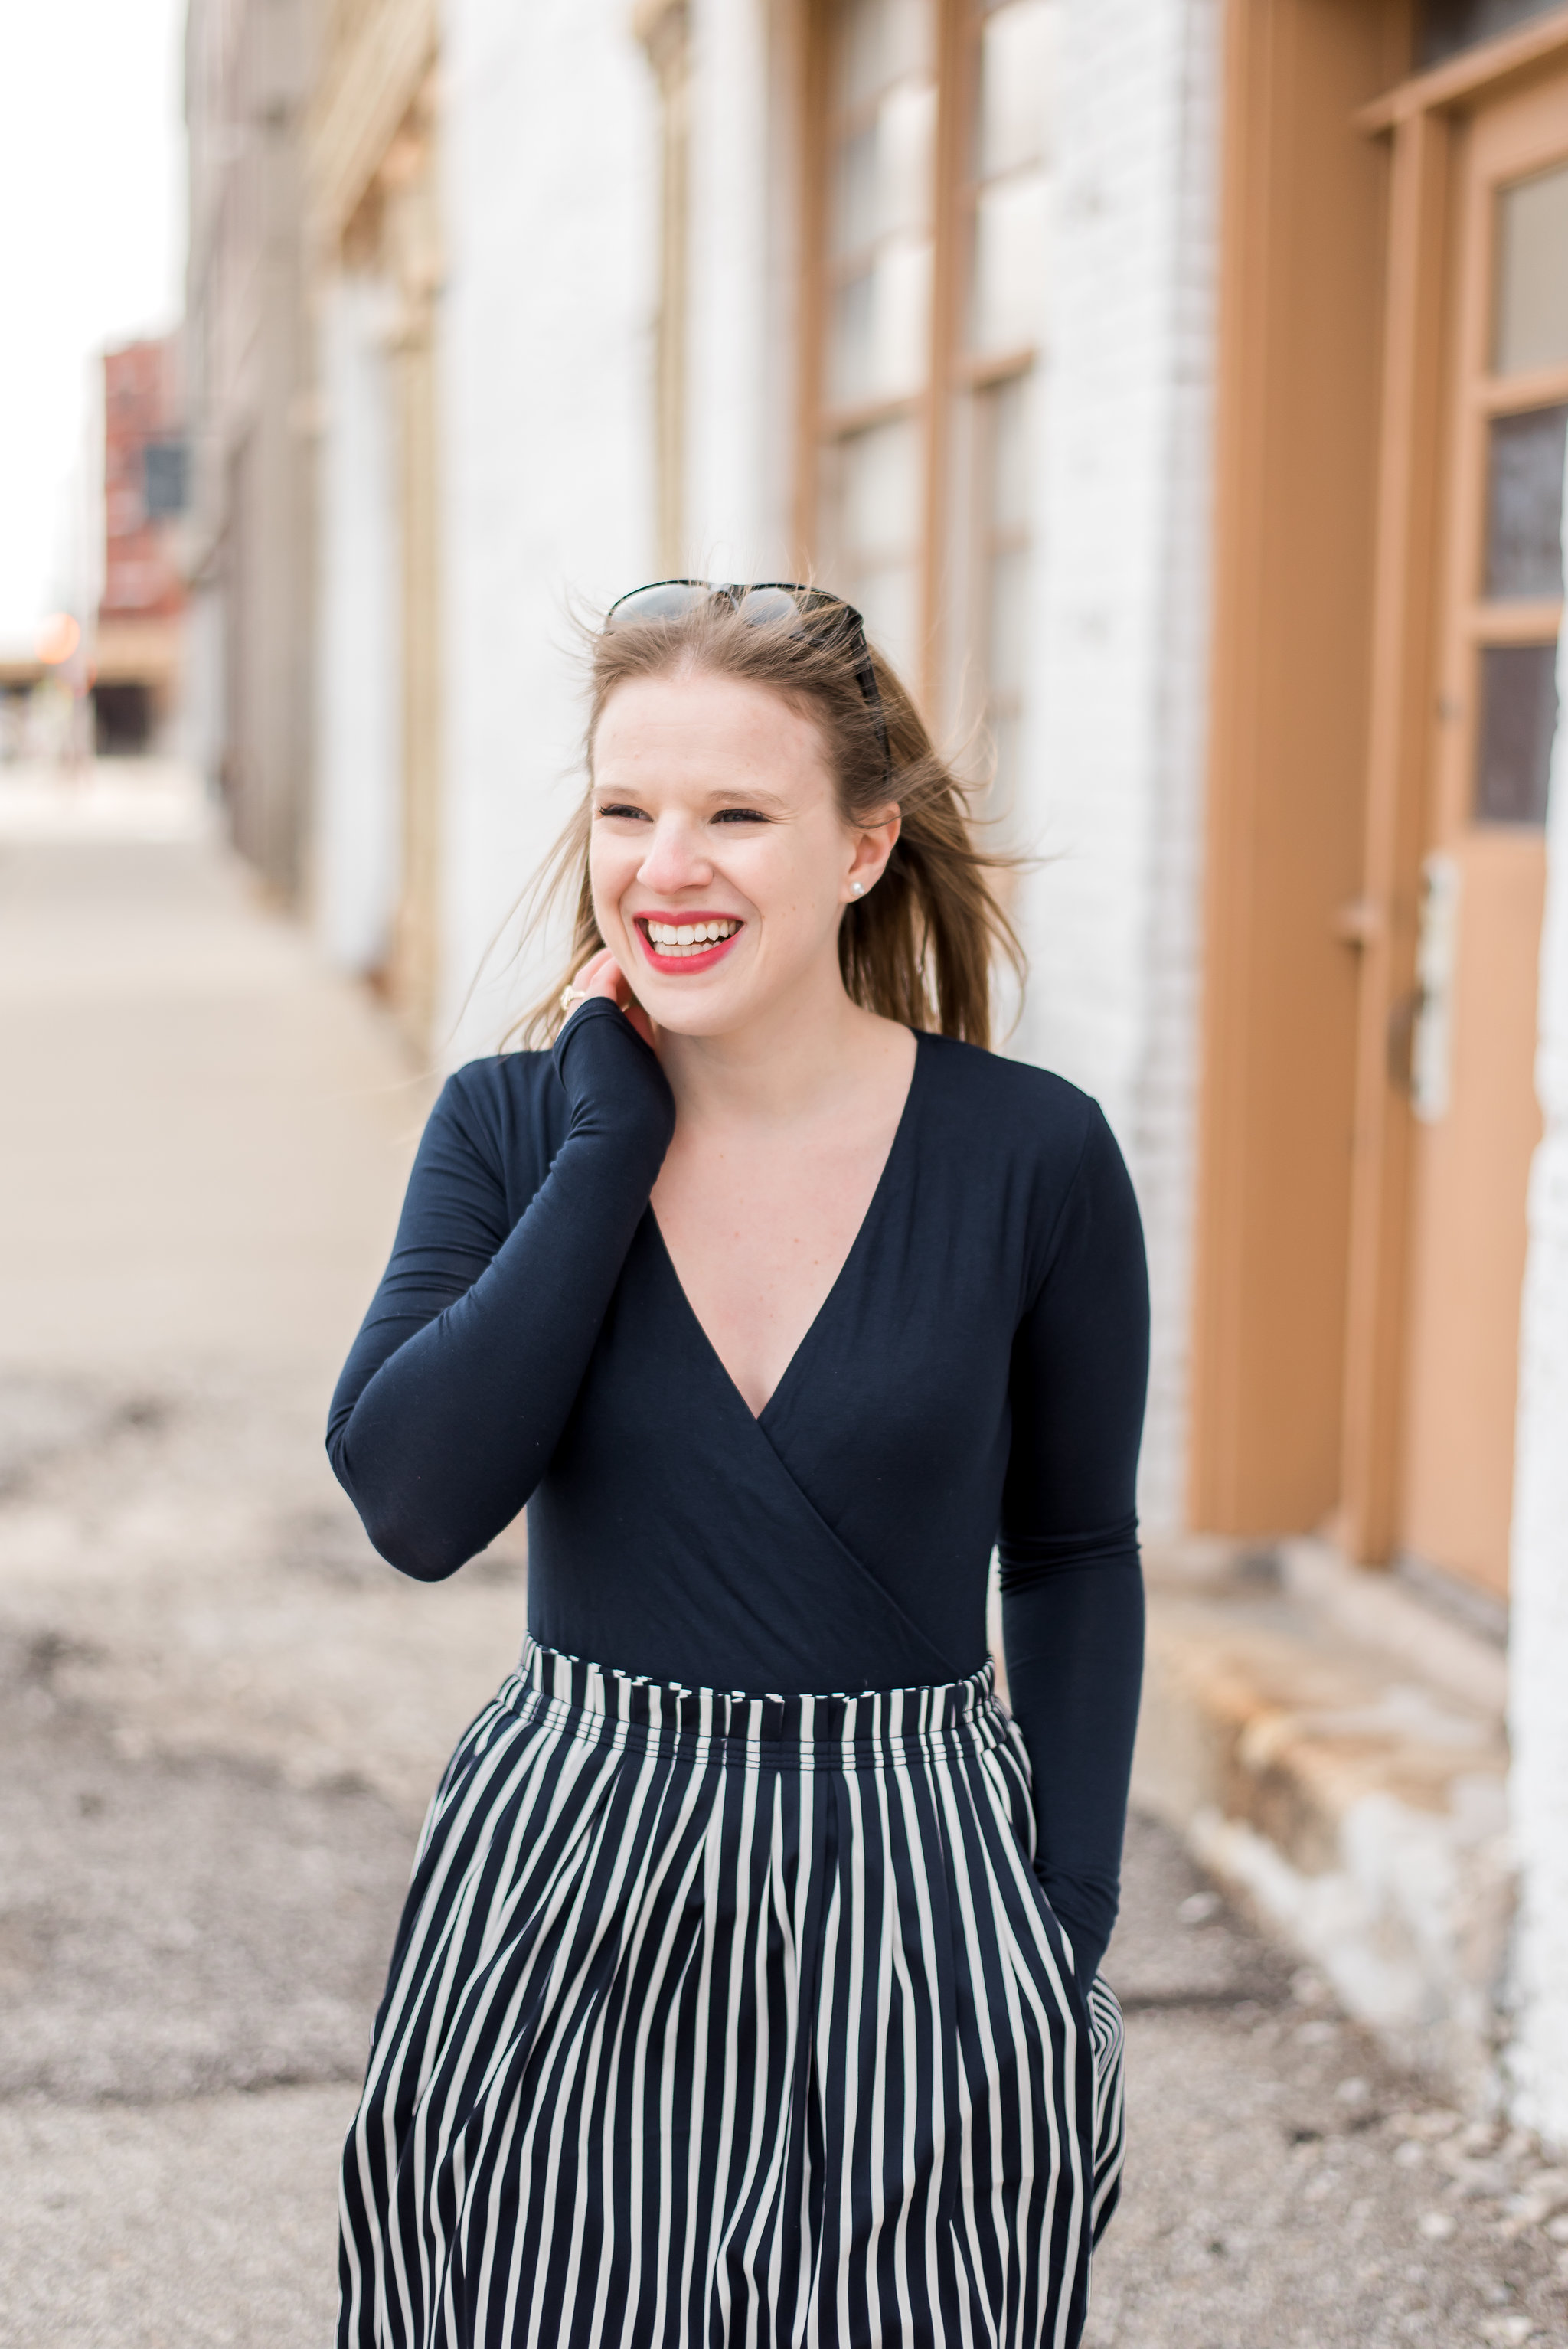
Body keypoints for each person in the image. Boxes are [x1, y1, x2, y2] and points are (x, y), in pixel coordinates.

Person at [327, 582, 1148, 2349]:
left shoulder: (1033, 1156)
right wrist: (607, 1143)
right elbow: (411, 1503)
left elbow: (1075, 1548)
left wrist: (1059, 1922)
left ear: (863, 845)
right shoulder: (516, 1121)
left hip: (918, 1871)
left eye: (733, 813)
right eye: (626, 808)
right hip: (573, 1861)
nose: (663, 865)